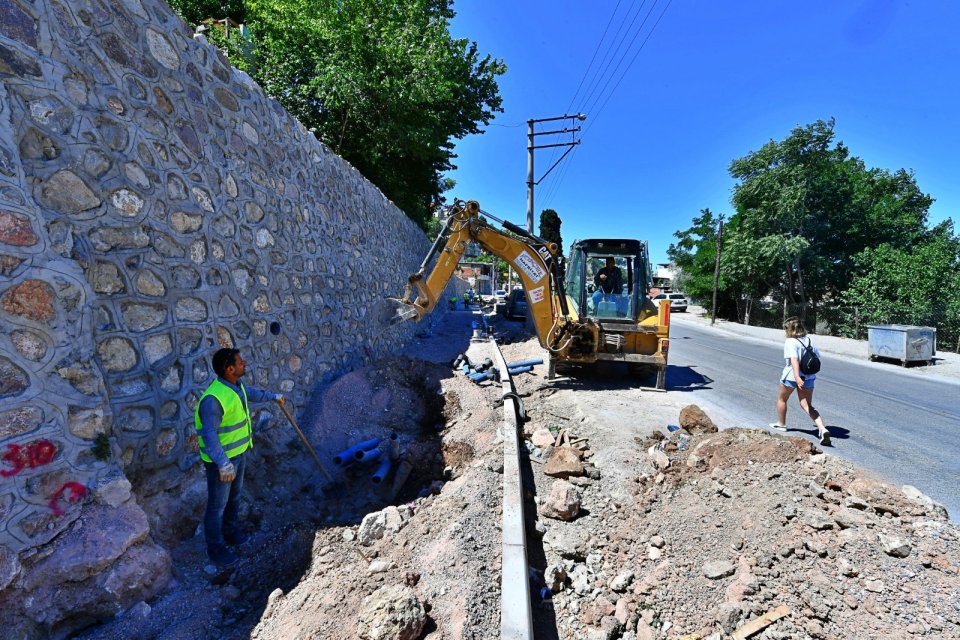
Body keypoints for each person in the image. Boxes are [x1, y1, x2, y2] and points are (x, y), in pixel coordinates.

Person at [194, 348, 284, 566]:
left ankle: (231, 533)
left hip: (238, 455)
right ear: (229, 368)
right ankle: (216, 550)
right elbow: (208, 433)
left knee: (234, 499)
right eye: (239, 361)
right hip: (221, 463)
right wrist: (223, 464)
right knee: (217, 507)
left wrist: (273, 397)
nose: (244, 362)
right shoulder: (213, 400)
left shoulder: (236, 387)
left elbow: (250, 393)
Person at [769, 317, 830, 445]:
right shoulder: (809, 340)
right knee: (807, 405)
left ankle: (781, 424)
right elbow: (817, 357)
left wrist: (797, 377)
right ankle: (822, 428)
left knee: (782, 399)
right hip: (809, 377)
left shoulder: (790, 341)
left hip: (792, 377)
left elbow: (794, 360)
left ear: (789, 329)